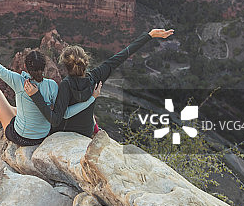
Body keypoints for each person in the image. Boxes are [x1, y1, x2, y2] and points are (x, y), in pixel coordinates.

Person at [25, 28, 174, 137]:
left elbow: (56, 120)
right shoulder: (95, 77)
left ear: (65, 66)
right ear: (86, 62)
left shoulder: (65, 85)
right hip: (86, 132)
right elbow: (122, 56)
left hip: (66, 132)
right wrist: (148, 35)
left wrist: (36, 95)